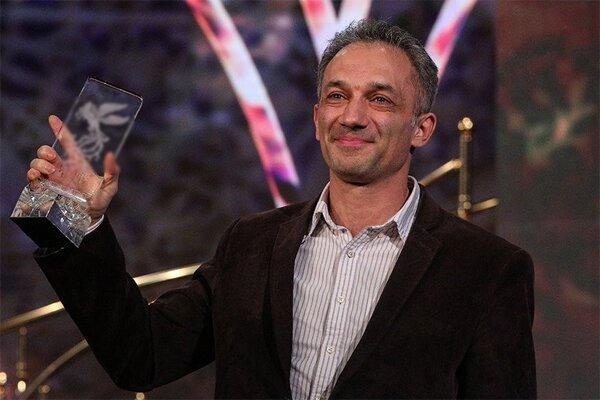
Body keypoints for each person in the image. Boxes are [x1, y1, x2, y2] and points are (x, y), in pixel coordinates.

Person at [28, 19, 536, 399]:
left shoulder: (487, 270)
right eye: (337, 96)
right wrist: (78, 219)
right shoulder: (251, 244)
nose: (352, 116)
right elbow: (141, 356)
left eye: (380, 99)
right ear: (316, 119)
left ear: (421, 128)